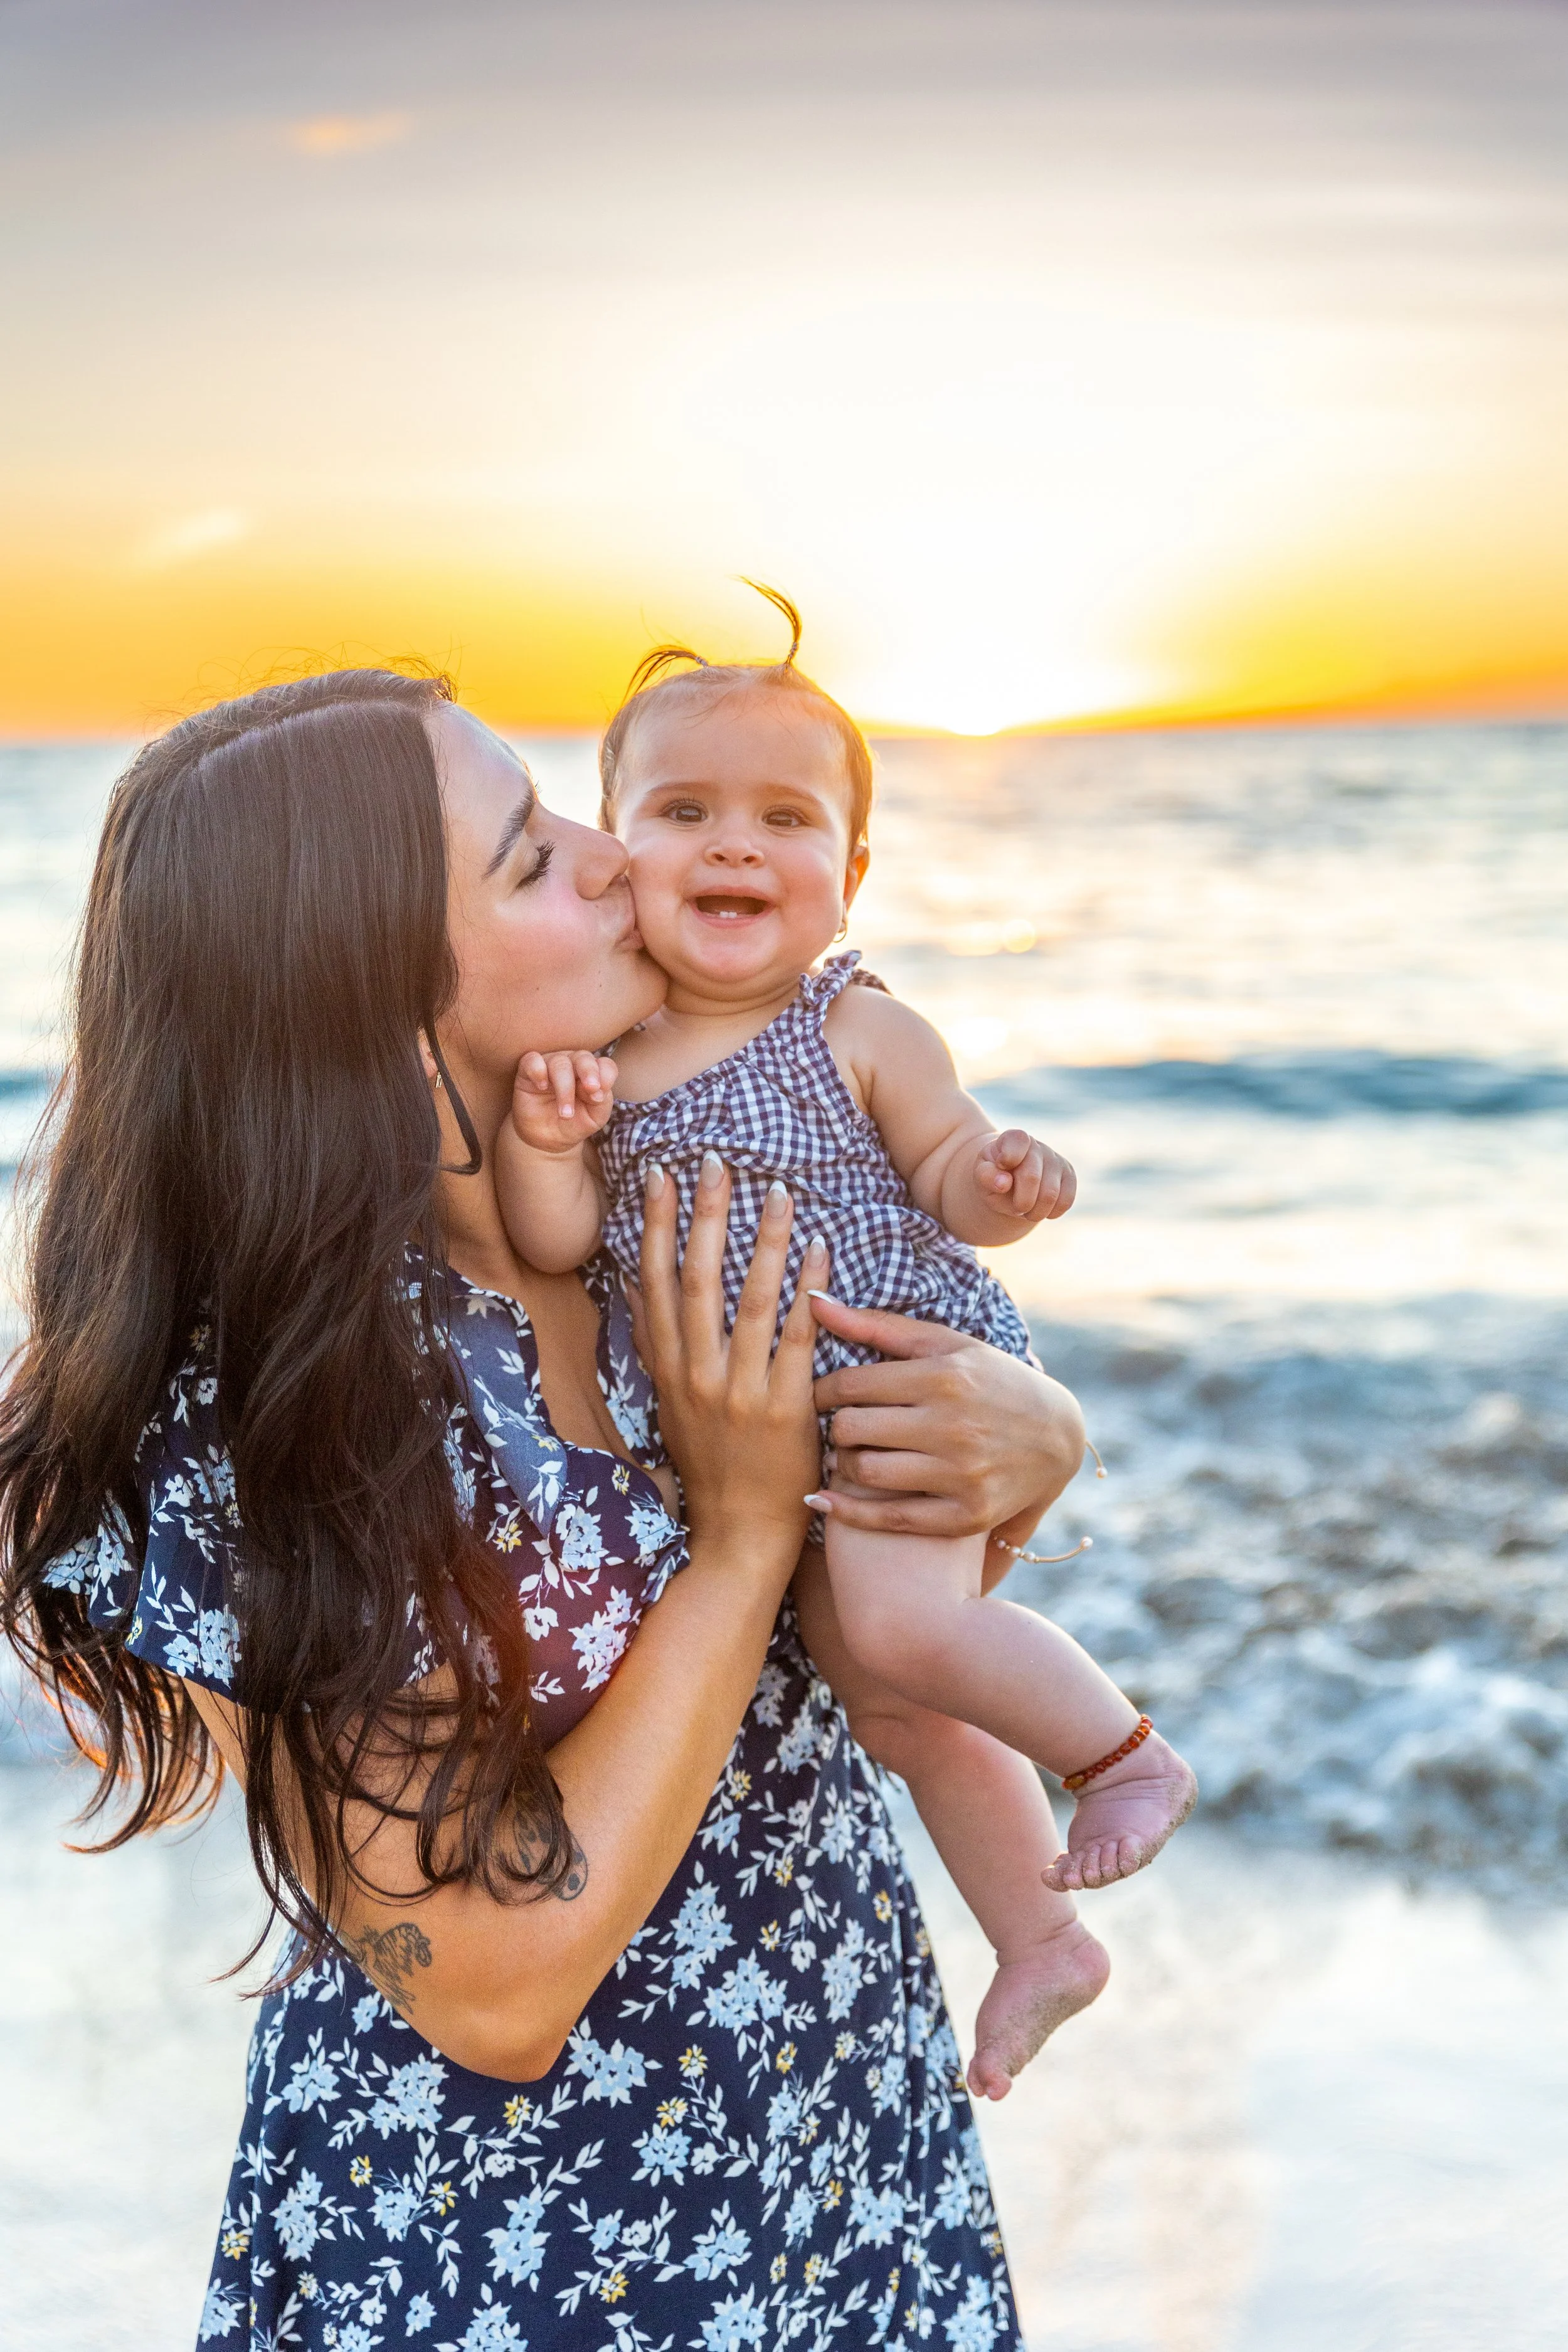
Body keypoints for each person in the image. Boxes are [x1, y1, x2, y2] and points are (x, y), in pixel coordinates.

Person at [1, 667, 1095, 2350]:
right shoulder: (290, 1389)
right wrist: (732, 1537)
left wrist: (1019, 1445)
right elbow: (485, 1977)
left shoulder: (656, 1209)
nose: (609, 858)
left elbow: (852, 1649)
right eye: (525, 856)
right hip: (520, 2244)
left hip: (836, 2148)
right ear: (361, 992)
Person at [493, 593, 1197, 2099]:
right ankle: (1037, 1934)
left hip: (901, 1381)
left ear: (851, 870)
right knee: (888, 1703)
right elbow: (557, 1246)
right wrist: (548, 1145)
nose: (737, 846)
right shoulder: (601, 1061)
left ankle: (1121, 1754)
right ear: (615, 849)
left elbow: (946, 1167)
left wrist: (1000, 1182)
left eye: (785, 818)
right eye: (685, 811)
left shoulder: (854, 1025)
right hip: (782, 1431)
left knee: (893, 1641)